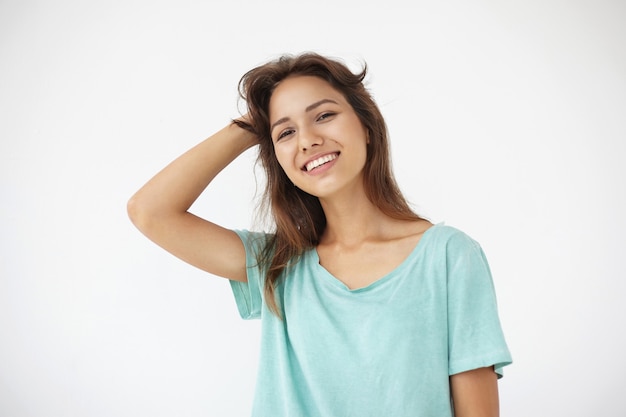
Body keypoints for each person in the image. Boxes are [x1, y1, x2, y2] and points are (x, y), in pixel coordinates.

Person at [127, 52, 512, 417]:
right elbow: (150, 212)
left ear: (366, 126)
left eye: (324, 115)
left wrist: (279, 124)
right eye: (286, 133)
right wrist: (249, 126)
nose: (308, 140)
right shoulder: (279, 265)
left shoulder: (448, 257)